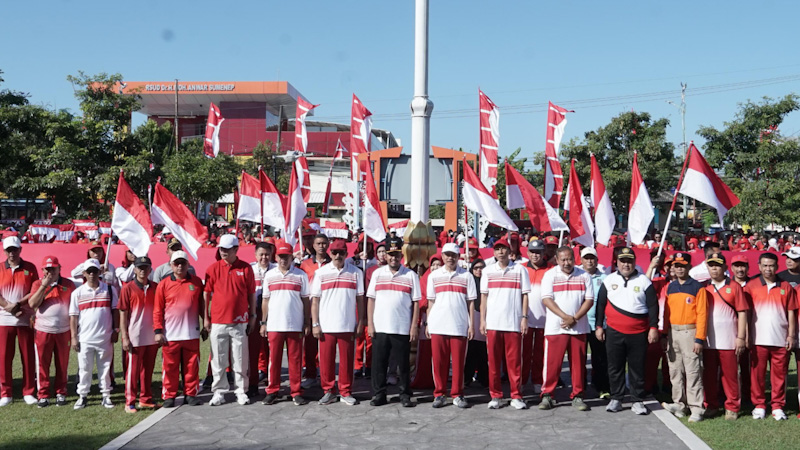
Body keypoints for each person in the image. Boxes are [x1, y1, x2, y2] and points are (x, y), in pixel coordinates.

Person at [594, 247, 658, 415]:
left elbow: (653, 306)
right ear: (617, 262)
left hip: (638, 333)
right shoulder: (609, 280)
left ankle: (637, 400)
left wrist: (653, 328)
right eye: (623, 261)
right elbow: (600, 304)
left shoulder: (644, 281)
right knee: (615, 367)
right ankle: (616, 398)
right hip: (614, 332)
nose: (626, 264)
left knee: (637, 368)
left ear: (635, 262)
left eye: (629, 261)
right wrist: (599, 326)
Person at [310, 239, 365, 406]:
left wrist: (360, 322)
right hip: (326, 325)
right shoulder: (321, 273)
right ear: (330, 253)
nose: (338, 256)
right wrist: (315, 324)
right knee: (326, 361)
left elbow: (360, 299)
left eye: (341, 253)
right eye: (334, 252)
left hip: (347, 324)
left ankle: (345, 391)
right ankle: (329, 391)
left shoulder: (356, 273)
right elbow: (315, 300)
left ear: (346, 254)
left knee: (347, 361)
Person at [367, 237, 420, 407]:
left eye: (396, 255)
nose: (393, 258)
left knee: (403, 364)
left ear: (401, 256)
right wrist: (370, 324)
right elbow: (371, 299)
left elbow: (416, 302)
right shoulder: (377, 274)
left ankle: (405, 394)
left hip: (401, 326)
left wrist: (414, 326)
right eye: (390, 254)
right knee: (379, 364)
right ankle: (379, 394)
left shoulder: (411, 275)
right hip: (380, 326)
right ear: (386, 256)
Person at [539, 246, 594, 411]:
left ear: (574, 259)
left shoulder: (584, 275)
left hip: (578, 328)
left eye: (569, 259)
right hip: (555, 328)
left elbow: (589, 300)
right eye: (563, 260)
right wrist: (565, 317)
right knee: (552, 364)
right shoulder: (550, 275)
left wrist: (574, 318)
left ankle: (578, 395)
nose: (566, 263)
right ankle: (547, 395)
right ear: (557, 260)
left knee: (578, 364)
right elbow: (546, 299)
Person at [204, 234, 257, 406]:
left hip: (239, 321)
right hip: (218, 320)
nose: (223, 252)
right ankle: (219, 391)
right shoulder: (213, 268)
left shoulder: (246, 268)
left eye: (227, 249)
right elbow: (206, 294)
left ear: (236, 249)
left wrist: (252, 315)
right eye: (221, 249)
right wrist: (206, 317)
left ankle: (241, 390)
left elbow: (251, 294)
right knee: (218, 359)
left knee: (240, 359)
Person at [744, 253, 797, 420]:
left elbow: (791, 312)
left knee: (779, 375)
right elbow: (746, 314)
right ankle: (759, 405)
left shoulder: (786, 286)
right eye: (765, 265)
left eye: (771, 265)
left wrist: (791, 336)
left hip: (780, 339)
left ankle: (777, 406)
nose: (768, 269)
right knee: (757, 375)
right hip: (758, 339)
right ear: (759, 266)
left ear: (777, 267)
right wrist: (746, 335)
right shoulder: (751, 286)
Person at [480, 238, 530, 410]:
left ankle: (516, 395)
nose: (500, 252)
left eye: (503, 249)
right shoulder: (487, 271)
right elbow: (484, 297)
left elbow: (525, 295)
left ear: (510, 251)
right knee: (493, 362)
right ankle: (496, 396)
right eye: (497, 249)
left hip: (513, 323)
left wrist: (524, 317)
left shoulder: (520, 270)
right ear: (494, 252)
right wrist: (483, 320)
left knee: (514, 363)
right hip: (493, 323)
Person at [260, 240, 311, 406]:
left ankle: (296, 391)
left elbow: (306, 301)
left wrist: (307, 322)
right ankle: (272, 391)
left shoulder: (301, 275)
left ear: (291, 257)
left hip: (294, 324)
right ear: (276, 257)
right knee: (273, 360)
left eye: (286, 257)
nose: (283, 260)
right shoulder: (270, 275)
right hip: (274, 324)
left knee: (295, 360)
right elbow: (265, 300)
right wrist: (263, 322)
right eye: (281, 256)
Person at [426, 243, 476, 408]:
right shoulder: (434, 276)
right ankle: (439, 394)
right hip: (438, 324)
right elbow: (431, 302)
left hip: (459, 325)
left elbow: (470, 303)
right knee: (439, 362)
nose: (450, 258)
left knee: (459, 363)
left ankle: (458, 394)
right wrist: (428, 323)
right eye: (447, 255)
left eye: (453, 255)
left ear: (458, 256)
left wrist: (471, 325)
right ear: (442, 256)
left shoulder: (467, 276)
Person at [154, 250, 206, 407]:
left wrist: (206, 323)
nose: (180, 266)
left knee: (192, 366)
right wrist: (158, 331)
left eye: (183, 263)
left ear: (188, 264)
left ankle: (191, 394)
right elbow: (157, 309)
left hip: (191, 334)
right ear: (171, 265)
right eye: (176, 263)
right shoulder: (163, 284)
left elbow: (202, 306)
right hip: (171, 335)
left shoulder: (197, 282)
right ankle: (169, 395)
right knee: (170, 367)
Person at [661, 252, 708, 422]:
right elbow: (666, 313)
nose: (679, 269)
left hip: (690, 332)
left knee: (692, 370)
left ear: (689, 267)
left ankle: (696, 407)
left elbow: (702, 314)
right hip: (673, 332)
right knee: (675, 370)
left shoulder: (697, 287)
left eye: (683, 266)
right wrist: (664, 333)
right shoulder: (670, 287)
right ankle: (679, 403)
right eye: (677, 266)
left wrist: (699, 338)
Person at [702, 252, 748, 420]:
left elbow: (742, 312)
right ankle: (711, 405)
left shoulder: (734, 287)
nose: (714, 269)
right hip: (708, 341)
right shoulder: (703, 287)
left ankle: (732, 406)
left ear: (725, 267)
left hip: (728, 340)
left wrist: (741, 337)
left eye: (718, 265)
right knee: (709, 375)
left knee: (730, 376)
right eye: (711, 265)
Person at [70, 259, 118, 409]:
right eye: (89, 271)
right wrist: (74, 337)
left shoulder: (109, 290)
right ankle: (82, 396)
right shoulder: (77, 293)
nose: (92, 274)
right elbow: (73, 316)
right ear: (84, 273)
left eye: (95, 271)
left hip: (105, 337)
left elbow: (115, 311)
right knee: (84, 368)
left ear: (99, 272)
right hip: (85, 338)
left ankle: (106, 395)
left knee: (105, 368)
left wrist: (116, 330)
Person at [28, 256, 75, 407]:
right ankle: (43, 394)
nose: (50, 272)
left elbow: (74, 306)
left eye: (53, 269)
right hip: (43, 330)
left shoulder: (68, 284)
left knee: (62, 363)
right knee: (43, 363)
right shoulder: (37, 284)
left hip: (63, 330)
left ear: (59, 268)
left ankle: (61, 392)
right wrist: (44, 285)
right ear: (42, 270)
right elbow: (32, 304)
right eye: (47, 269)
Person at [0, 236, 39, 407]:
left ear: (20, 250)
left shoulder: (30, 268)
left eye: (14, 249)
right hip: (4, 319)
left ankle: (28, 391)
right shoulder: (0, 268)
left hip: (25, 317)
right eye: (9, 250)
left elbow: (34, 291)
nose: (12, 253)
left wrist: (18, 304)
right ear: (4, 251)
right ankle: (6, 393)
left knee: (28, 356)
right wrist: (8, 306)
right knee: (4, 357)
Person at [118, 256, 159, 413]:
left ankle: (145, 399)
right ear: (134, 269)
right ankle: (129, 401)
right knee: (132, 371)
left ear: (150, 269)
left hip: (152, 336)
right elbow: (123, 314)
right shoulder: (127, 288)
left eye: (146, 267)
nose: (143, 270)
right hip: (135, 336)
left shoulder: (155, 287)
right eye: (140, 267)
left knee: (148, 370)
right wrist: (125, 337)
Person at [299, 234, 331, 388]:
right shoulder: (305, 264)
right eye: (318, 243)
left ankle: (326, 375)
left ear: (328, 245)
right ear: (313, 245)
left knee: (327, 345)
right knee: (310, 345)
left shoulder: (333, 263)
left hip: (328, 307)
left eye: (324, 243)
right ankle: (311, 374)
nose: (321, 246)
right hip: (311, 307)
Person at [522, 239, 552, 394]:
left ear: (543, 253)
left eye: (538, 252)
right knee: (523, 353)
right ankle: (521, 381)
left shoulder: (552, 270)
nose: (535, 255)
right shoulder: (521, 268)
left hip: (545, 319)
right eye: (532, 252)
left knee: (540, 353)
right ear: (527, 253)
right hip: (524, 319)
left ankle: (537, 380)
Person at [580, 247, 610, 399]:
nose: (589, 261)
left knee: (600, 358)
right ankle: (580, 388)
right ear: (581, 260)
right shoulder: (577, 275)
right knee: (580, 358)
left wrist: (602, 324)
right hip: (580, 324)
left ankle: (601, 387)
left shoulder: (605, 278)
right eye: (586, 258)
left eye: (592, 258)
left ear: (597, 261)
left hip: (598, 325)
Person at [250, 241, 276, 388]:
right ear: (255, 255)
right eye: (261, 254)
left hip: (272, 311)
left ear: (271, 255)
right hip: (254, 311)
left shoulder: (275, 269)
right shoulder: (250, 269)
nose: (264, 257)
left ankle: (269, 375)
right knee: (255, 345)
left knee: (269, 345)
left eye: (267, 254)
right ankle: (255, 377)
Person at [464, 259, 488, 387]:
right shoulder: (469, 281)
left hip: (485, 316)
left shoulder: (487, 281)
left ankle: (484, 377)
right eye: (476, 268)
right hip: (472, 315)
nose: (479, 270)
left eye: (482, 268)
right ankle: (467, 377)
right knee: (471, 349)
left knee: (483, 350)